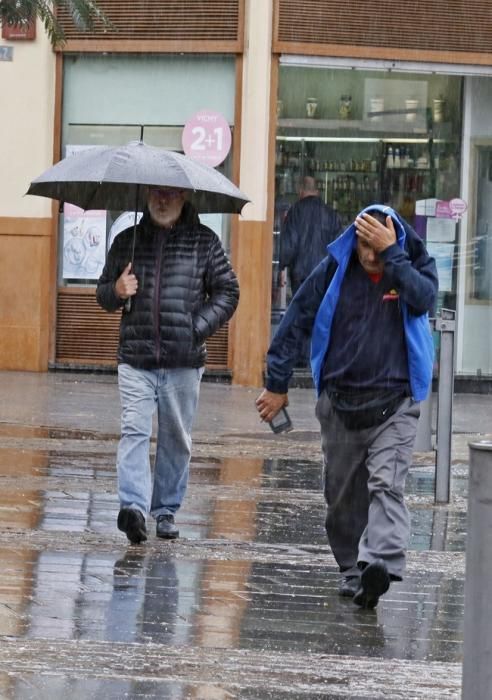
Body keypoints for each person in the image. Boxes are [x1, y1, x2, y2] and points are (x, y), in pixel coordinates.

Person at [256, 205, 437, 609]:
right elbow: (297, 320)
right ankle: (353, 569)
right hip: (340, 403)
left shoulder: (406, 268)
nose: (369, 255)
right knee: (341, 495)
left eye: (378, 246)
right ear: (352, 241)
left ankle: (380, 563)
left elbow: (424, 299)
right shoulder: (333, 271)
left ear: (392, 241)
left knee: (386, 485)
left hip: (395, 404)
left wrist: (393, 256)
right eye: (363, 245)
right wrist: (277, 384)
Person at [97, 186, 239, 545]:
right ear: (145, 196)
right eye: (156, 194)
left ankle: (165, 511)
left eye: (171, 195)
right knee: (134, 430)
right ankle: (132, 507)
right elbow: (102, 295)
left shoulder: (204, 242)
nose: (162, 201)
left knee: (176, 439)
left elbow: (228, 292)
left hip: (183, 360)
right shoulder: (127, 241)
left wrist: (198, 327)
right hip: (136, 358)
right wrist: (117, 289)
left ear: (184, 198)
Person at [279, 175, 342, 296]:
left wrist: (282, 268)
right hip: (324, 275)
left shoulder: (295, 211)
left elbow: (289, 245)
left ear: (300, 191)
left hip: (300, 276)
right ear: (318, 192)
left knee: (300, 311)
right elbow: (338, 246)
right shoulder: (331, 214)